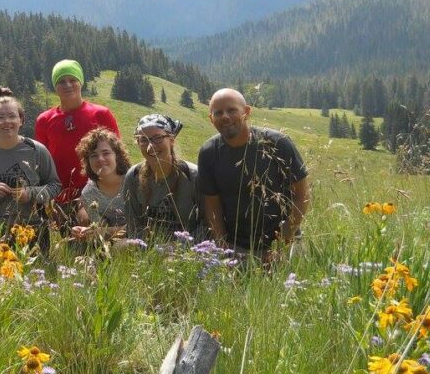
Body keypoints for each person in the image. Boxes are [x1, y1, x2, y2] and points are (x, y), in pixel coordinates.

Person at [197, 88, 310, 266]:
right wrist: (222, 247)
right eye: (218, 113)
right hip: (236, 246)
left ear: (247, 112)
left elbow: (302, 195)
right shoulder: (209, 152)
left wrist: (281, 244)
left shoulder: (278, 143)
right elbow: (212, 204)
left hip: (286, 242)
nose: (225, 116)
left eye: (232, 110)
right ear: (211, 119)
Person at [0, 87, 61, 238]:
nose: (7, 122)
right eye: (0, 117)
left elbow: (55, 186)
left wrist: (30, 194)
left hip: (33, 229)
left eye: (12, 116)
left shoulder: (37, 150)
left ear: (21, 120)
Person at [35, 59, 119, 209]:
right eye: (61, 81)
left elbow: (117, 155)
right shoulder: (44, 120)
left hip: (97, 195)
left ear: (81, 82)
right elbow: (41, 163)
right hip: (57, 197)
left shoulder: (101, 114)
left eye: (72, 80)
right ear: (55, 86)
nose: (67, 85)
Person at [123, 114, 202, 242]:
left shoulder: (192, 175)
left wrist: (182, 250)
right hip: (148, 254)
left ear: (171, 140)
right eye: (143, 140)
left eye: (158, 138)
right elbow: (133, 225)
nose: (151, 146)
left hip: (188, 254)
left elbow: (206, 224)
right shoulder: (133, 176)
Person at [70, 127, 130, 241]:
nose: (100, 159)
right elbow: (99, 229)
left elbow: (144, 225)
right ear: (87, 162)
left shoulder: (133, 181)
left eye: (106, 153)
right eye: (93, 155)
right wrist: (85, 232)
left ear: (117, 155)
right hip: (112, 246)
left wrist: (104, 232)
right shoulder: (89, 193)